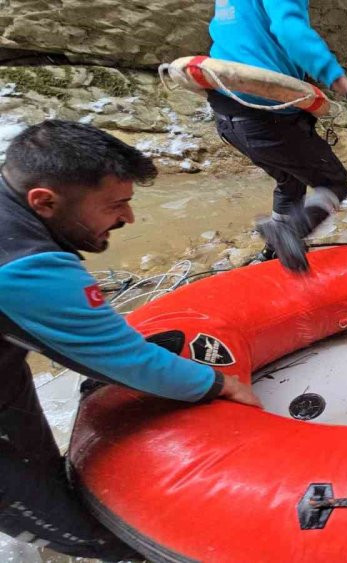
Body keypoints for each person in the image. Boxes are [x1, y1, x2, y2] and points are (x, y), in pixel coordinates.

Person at [0, 120, 261, 560]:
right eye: (116, 205)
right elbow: (123, 359)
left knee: (40, 462)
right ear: (44, 202)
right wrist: (221, 384)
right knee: (100, 535)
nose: (129, 218)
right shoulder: (26, 267)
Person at [207, 0, 347, 272]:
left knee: (290, 180)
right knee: (333, 183)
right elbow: (291, 32)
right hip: (266, 116)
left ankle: (273, 253)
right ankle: (287, 233)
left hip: (227, 117)